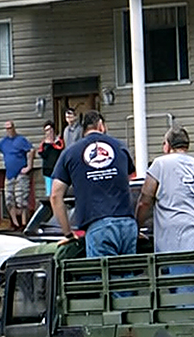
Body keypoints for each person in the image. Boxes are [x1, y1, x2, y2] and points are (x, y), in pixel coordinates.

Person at [137, 125, 194, 308]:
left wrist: (137, 227)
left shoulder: (160, 164)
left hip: (180, 243)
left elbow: (144, 201)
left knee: (188, 304)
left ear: (167, 145)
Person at [50, 110, 137, 256]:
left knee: (103, 276)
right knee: (127, 277)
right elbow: (132, 184)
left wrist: (68, 234)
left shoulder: (70, 153)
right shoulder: (121, 147)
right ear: (101, 125)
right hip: (127, 224)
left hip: (98, 225)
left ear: (83, 130)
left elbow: (55, 196)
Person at [0, 120, 33, 229]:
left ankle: (24, 223)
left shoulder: (21, 140)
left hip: (21, 174)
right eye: (7, 128)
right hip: (9, 174)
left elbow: (31, 151)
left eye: (10, 128)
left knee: (21, 200)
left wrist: (29, 166)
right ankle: (15, 223)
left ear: (14, 128)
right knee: (9, 199)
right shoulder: (4, 142)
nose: (9, 130)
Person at [36, 121, 64, 203]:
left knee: (57, 193)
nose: (49, 132)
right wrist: (48, 144)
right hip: (47, 171)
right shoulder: (44, 144)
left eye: (50, 130)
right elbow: (42, 154)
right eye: (47, 130)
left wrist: (53, 143)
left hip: (57, 170)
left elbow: (60, 149)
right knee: (49, 193)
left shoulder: (59, 141)